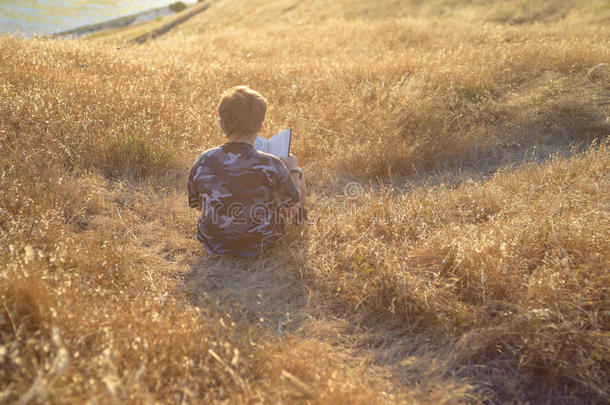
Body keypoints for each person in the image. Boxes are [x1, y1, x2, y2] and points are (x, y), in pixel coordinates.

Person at [187, 86, 307, 257]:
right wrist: (293, 169)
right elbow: (293, 209)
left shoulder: (203, 160)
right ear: (260, 127)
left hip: (214, 242)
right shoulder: (271, 163)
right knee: (296, 170)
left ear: (222, 126)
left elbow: (197, 205)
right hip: (262, 244)